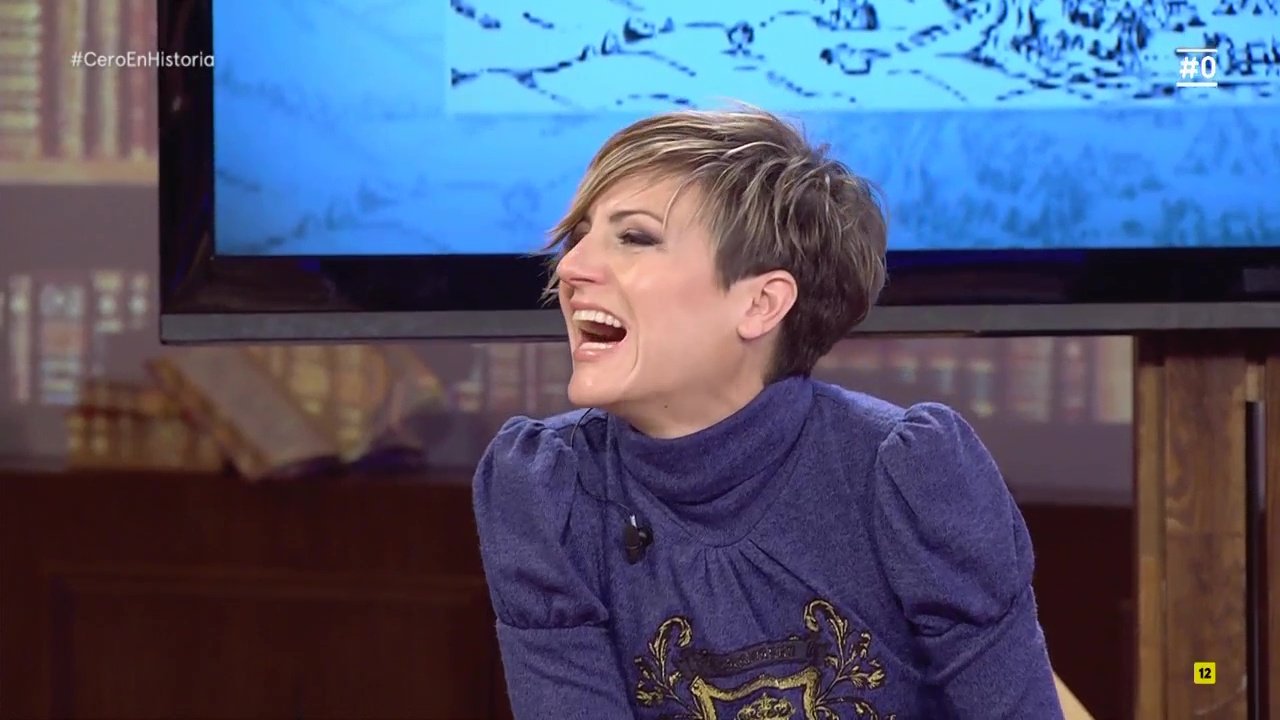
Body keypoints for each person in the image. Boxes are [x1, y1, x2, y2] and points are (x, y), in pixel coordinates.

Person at [472, 107, 1065, 719]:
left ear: (761, 303)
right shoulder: (547, 491)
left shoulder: (913, 477)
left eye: (635, 238)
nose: (570, 268)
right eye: (580, 236)